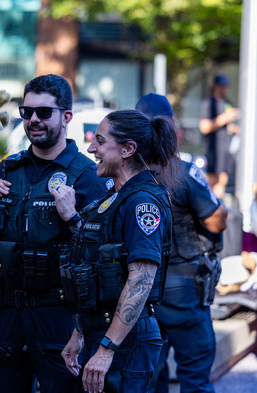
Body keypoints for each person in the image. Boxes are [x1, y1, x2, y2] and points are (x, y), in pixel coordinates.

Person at [0, 74, 108, 393]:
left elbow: (104, 256)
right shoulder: (6, 170)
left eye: (44, 112)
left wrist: (72, 217)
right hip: (7, 316)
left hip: (60, 316)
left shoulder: (88, 176)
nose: (33, 120)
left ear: (66, 116)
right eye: (26, 112)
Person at [59, 109, 178, 393]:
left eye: (100, 141)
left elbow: (141, 280)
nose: (91, 148)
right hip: (102, 333)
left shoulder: (141, 203)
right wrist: (80, 332)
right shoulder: (116, 199)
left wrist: (107, 349)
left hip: (126, 340)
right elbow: (98, 274)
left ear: (127, 149)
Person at [137, 93, 228, 393]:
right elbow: (216, 220)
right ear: (172, 126)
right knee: (195, 380)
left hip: (142, 294)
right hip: (185, 293)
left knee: (148, 379)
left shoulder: (127, 175)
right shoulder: (184, 172)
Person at [199, 73, 240, 198]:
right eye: (222, 86)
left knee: (223, 179)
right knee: (212, 179)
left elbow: (226, 126)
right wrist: (224, 118)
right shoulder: (208, 103)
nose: (224, 89)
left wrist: (235, 128)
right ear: (215, 86)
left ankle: (217, 206)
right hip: (213, 148)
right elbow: (204, 127)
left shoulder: (227, 102)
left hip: (225, 147)